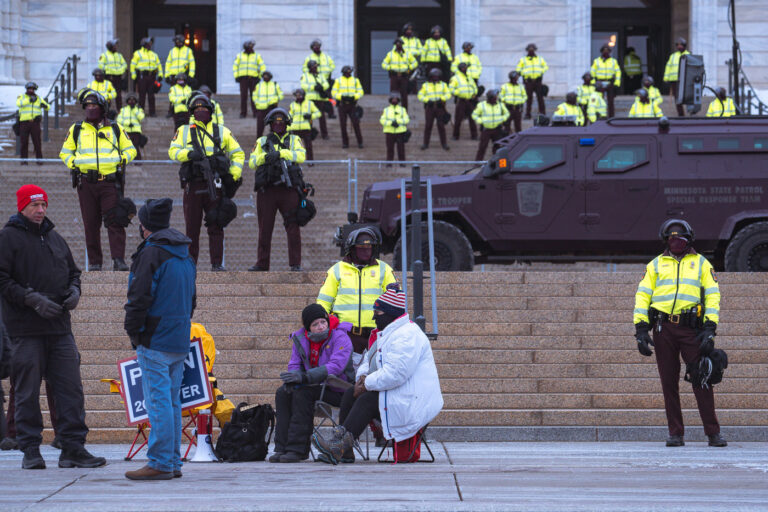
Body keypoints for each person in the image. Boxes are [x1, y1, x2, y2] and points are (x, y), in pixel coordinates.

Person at [0, 184, 106, 470]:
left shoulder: (56, 238)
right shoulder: (7, 238)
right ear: (22, 206)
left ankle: (72, 447)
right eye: (34, 205)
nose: (40, 210)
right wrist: (31, 299)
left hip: (60, 329)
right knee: (26, 392)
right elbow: (2, 279)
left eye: (43, 205)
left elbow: (74, 273)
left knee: (70, 390)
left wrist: (74, 292)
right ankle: (30, 450)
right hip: (25, 331)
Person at [312, 287, 443, 465]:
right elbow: (368, 359)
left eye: (378, 312)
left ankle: (338, 446)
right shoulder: (388, 333)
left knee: (368, 399)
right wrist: (362, 377)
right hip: (399, 395)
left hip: (413, 401)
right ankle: (344, 449)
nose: (374, 317)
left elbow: (395, 374)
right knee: (351, 392)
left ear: (391, 313)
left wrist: (366, 384)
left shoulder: (407, 336)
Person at [633, 219, 726, 448]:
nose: (676, 242)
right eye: (671, 238)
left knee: (702, 377)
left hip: (691, 329)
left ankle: (713, 433)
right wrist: (641, 329)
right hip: (663, 329)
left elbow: (713, 295)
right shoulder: (655, 265)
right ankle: (676, 433)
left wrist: (709, 329)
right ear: (665, 240)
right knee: (668, 383)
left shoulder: (702, 264)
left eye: (680, 238)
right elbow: (643, 295)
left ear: (689, 239)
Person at [124, 198, 197, 480]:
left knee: (158, 403)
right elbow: (192, 300)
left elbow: (138, 297)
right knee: (172, 401)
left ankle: (160, 462)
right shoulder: (184, 254)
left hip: (155, 339)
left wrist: (134, 332)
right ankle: (172, 461)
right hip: (178, 338)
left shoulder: (151, 254)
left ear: (144, 226)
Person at [59, 89, 137, 271]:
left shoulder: (116, 128)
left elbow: (131, 150)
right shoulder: (76, 129)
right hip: (86, 183)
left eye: (94, 106)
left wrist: (121, 159)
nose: (90, 109)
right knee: (90, 223)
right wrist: (74, 163)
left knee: (115, 221)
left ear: (102, 108)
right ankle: (95, 263)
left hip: (109, 182)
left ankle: (118, 260)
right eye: (87, 106)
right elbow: (65, 152)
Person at [168, 94, 245, 271]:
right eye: (197, 110)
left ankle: (217, 264)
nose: (200, 112)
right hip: (193, 185)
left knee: (216, 225)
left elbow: (238, 153)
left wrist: (234, 174)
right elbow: (172, 151)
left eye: (204, 109)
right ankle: (190, 264)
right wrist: (188, 154)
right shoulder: (183, 130)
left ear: (211, 111)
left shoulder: (222, 131)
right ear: (192, 112)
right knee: (192, 228)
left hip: (215, 185)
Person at [271, 304, 353, 463]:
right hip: (314, 385)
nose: (321, 327)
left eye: (323, 322)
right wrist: (293, 378)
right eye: (315, 324)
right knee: (283, 392)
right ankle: (282, 447)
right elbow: (294, 364)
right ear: (308, 327)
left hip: (339, 389)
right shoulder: (300, 339)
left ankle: (297, 449)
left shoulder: (340, 337)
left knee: (303, 394)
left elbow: (335, 366)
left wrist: (305, 378)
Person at [317, 227, 397, 358]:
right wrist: (321, 325)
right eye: (361, 246)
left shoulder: (384, 269)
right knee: (345, 376)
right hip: (344, 334)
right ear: (352, 248)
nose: (366, 250)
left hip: (376, 334)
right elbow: (324, 301)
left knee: (374, 375)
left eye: (369, 246)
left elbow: (395, 300)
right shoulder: (336, 270)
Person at [248, 107, 306, 272]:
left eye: (281, 122)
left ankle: (295, 264)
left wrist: (282, 154)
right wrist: (266, 157)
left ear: (287, 124)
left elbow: (301, 156)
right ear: (270, 124)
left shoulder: (294, 140)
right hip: (267, 191)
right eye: (275, 122)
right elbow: (252, 162)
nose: (278, 125)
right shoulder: (262, 142)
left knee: (293, 227)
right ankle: (262, 263)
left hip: (289, 190)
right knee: (264, 228)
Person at [15, 82, 49, 164]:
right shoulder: (22, 97)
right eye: (29, 89)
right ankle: (23, 161)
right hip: (24, 123)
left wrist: (45, 106)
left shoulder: (39, 98)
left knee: (37, 142)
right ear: (26, 89)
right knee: (24, 143)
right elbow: (18, 104)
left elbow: (48, 106)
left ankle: (39, 160)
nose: (31, 90)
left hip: (35, 123)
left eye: (32, 89)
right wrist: (29, 100)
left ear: (35, 90)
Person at [418, 68, 451, 151]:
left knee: (441, 126)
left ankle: (444, 144)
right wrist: (427, 100)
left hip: (440, 107)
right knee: (428, 126)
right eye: (434, 76)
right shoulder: (425, 85)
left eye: (437, 76)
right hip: (430, 107)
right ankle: (425, 143)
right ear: (431, 76)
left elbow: (448, 94)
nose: (435, 77)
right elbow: (420, 95)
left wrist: (442, 99)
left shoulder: (443, 85)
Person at [331, 65, 364, 149]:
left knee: (356, 124)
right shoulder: (338, 81)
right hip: (342, 105)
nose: (348, 74)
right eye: (346, 73)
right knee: (343, 125)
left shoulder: (355, 80)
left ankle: (360, 142)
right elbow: (334, 92)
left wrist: (355, 97)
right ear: (343, 73)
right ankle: (345, 143)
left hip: (353, 105)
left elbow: (361, 91)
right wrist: (341, 96)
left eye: (349, 73)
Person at [472, 89, 509, 161]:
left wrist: (502, 119)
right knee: (482, 147)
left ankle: (498, 162)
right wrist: (481, 121)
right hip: (486, 130)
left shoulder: (500, 105)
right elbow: (474, 115)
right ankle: (478, 163)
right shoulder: (481, 105)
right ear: (490, 98)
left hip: (497, 129)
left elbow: (506, 113)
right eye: (495, 97)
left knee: (498, 147)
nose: (496, 98)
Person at [130, 37, 163, 116]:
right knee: (142, 95)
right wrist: (133, 74)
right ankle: (141, 112)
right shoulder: (137, 53)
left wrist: (161, 74)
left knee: (151, 95)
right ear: (144, 44)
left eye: (150, 44)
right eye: (148, 43)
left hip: (152, 76)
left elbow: (159, 65)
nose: (150, 45)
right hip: (142, 76)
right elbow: (132, 65)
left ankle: (152, 112)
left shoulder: (154, 54)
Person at [382, 38, 417, 110]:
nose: (398, 45)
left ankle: (404, 111)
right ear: (395, 45)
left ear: (402, 45)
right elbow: (384, 64)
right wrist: (390, 68)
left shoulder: (407, 54)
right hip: (394, 76)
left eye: (400, 44)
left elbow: (415, 63)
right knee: (393, 94)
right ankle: (393, 110)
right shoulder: (390, 54)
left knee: (404, 94)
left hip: (404, 76)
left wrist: (409, 68)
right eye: (397, 44)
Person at [233, 40, 265, 118]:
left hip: (253, 79)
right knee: (243, 97)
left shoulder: (257, 56)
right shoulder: (240, 55)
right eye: (250, 46)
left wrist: (260, 76)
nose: (251, 48)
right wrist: (236, 76)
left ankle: (255, 112)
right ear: (246, 47)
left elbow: (262, 66)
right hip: (243, 79)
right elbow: (235, 66)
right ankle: (243, 113)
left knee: (254, 96)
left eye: (252, 46)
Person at [300, 61, 330, 140]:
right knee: (309, 117)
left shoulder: (320, 75)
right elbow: (303, 85)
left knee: (322, 117)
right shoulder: (305, 76)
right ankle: (308, 133)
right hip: (310, 100)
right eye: (314, 67)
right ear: (310, 67)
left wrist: (321, 87)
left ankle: (325, 134)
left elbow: (326, 84)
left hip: (320, 99)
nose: (316, 68)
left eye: (316, 66)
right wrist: (314, 87)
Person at [288, 89, 321, 161]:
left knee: (308, 146)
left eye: (300, 95)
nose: (298, 96)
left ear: (303, 95)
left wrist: (310, 116)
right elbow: (289, 118)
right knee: (293, 147)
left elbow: (318, 113)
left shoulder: (310, 104)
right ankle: (294, 161)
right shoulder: (292, 105)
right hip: (295, 129)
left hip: (306, 128)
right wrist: (288, 129)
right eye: (297, 95)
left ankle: (310, 161)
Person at [517, 43, 548, 118]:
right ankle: (528, 113)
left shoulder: (540, 59)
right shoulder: (523, 59)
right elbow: (518, 69)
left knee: (540, 98)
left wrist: (540, 72)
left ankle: (542, 113)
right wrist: (524, 74)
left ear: (535, 50)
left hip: (538, 81)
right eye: (530, 50)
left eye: (532, 50)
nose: (531, 51)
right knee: (529, 99)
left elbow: (545, 67)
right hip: (528, 81)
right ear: (527, 50)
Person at [449, 62, 478, 141]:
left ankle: (474, 135)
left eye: (466, 67)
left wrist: (474, 93)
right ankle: (455, 136)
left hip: (470, 101)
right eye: (464, 67)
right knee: (458, 119)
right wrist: (459, 93)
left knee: (472, 118)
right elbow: (451, 89)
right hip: (461, 101)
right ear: (460, 68)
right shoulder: (455, 78)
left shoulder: (469, 77)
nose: (465, 69)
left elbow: (474, 87)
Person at [591, 45, 621, 118]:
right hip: (599, 83)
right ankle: (600, 116)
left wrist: (617, 82)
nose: (606, 52)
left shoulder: (614, 61)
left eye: (607, 51)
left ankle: (611, 117)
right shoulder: (596, 61)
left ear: (610, 52)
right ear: (601, 52)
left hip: (609, 82)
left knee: (611, 101)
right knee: (599, 100)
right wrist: (593, 83)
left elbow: (618, 72)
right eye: (604, 51)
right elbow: (592, 72)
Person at [380, 93, 409, 165]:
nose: (394, 100)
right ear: (390, 100)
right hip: (389, 132)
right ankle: (389, 163)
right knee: (390, 149)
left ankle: (402, 163)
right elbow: (382, 120)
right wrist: (391, 123)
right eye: (393, 99)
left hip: (400, 132)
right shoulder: (386, 110)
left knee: (401, 149)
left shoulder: (402, 109)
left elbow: (407, 119)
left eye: (396, 99)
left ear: (398, 100)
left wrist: (398, 122)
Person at [252, 70, 284, 138]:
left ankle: (274, 138)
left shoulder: (275, 85)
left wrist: (274, 100)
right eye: (264, 76)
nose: (265, 77)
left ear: (270, 77)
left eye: (267, 76)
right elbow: (254, 96)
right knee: (260, 126)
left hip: (272, 108)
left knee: (274, 125)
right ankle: (259, 140)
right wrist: (257, 104)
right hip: (261, 109)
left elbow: (281, 95)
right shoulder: (259, 85)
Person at [98, 39, 127, 110]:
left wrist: (120, 70)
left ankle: (119, 110)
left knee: (118, 94)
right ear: (110, 46)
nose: (116, 47)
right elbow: (101, 66)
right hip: (109, 76)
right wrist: (111, 70)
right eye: (114, 45)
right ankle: (107, 109)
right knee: (107, 93)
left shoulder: (119, 55)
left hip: (118, 77)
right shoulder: (104, 55)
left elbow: (124, 65)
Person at [664, 38, 689, 116]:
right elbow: (668, 66)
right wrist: (666, 77)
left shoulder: (689, 55)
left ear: (684, 45)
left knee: (687, 96)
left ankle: (691, 111)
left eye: (680, 45)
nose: (679, 47)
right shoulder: (673, 56)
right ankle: (681, 114)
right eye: (677, 45)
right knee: (677, 98)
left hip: (685, 80)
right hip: (674, 80)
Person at [117, 92, 145, 161]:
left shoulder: (138, 109)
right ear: (127, 101)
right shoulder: (123, 110)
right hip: (126, 131)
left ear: (135, 101)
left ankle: (138, 161)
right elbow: (119, 120)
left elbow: (141, 117)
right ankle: (125, 160)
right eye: (130, 100)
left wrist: (135, 110)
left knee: (135, 146)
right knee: (125, 146)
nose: (131, 101)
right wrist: (127, 124)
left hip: (136, 131)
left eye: (133, 100)